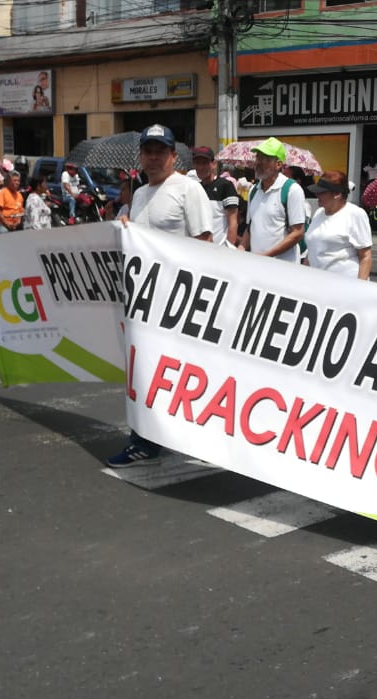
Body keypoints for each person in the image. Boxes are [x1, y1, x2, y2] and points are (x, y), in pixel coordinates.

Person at [107, 124, 213, 468]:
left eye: (160, 151)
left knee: (180, 374)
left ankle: (174, 436)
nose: (153, 157)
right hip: (145, 302)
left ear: (173, 156)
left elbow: (204, 244)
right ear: (140, 155)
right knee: (146, 372)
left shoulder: (188, 189)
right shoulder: (138, 195)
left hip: (179, 300)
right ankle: (146, 438)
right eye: (147, 150)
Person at [243, 137, 307, 264]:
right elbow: (250, 227)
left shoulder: (291, 190)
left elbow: (298, 233)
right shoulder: (254, 190)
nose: (259, 163)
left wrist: (266, 255)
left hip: (283, 267)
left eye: (265, 159)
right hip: (257, 265)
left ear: (278, 164)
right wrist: (241, 248)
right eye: (258, 158)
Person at [304, 170, 372, 280]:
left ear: (337, 194)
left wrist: (360, 287)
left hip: (345, 284)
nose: (317, 195)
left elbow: (365, 256)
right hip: (317, 282)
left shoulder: (355, 214)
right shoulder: (318, 213)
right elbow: (312, 250)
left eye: (322, 192)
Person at [191, 146, 240, 249]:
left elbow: (233, 220)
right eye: (197, 163)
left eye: (204, 163)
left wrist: (229, 249)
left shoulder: (226, 186)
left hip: (220, 252)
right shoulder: (195, 188)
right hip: (199, 251)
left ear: (213, 164)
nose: (200, 167)